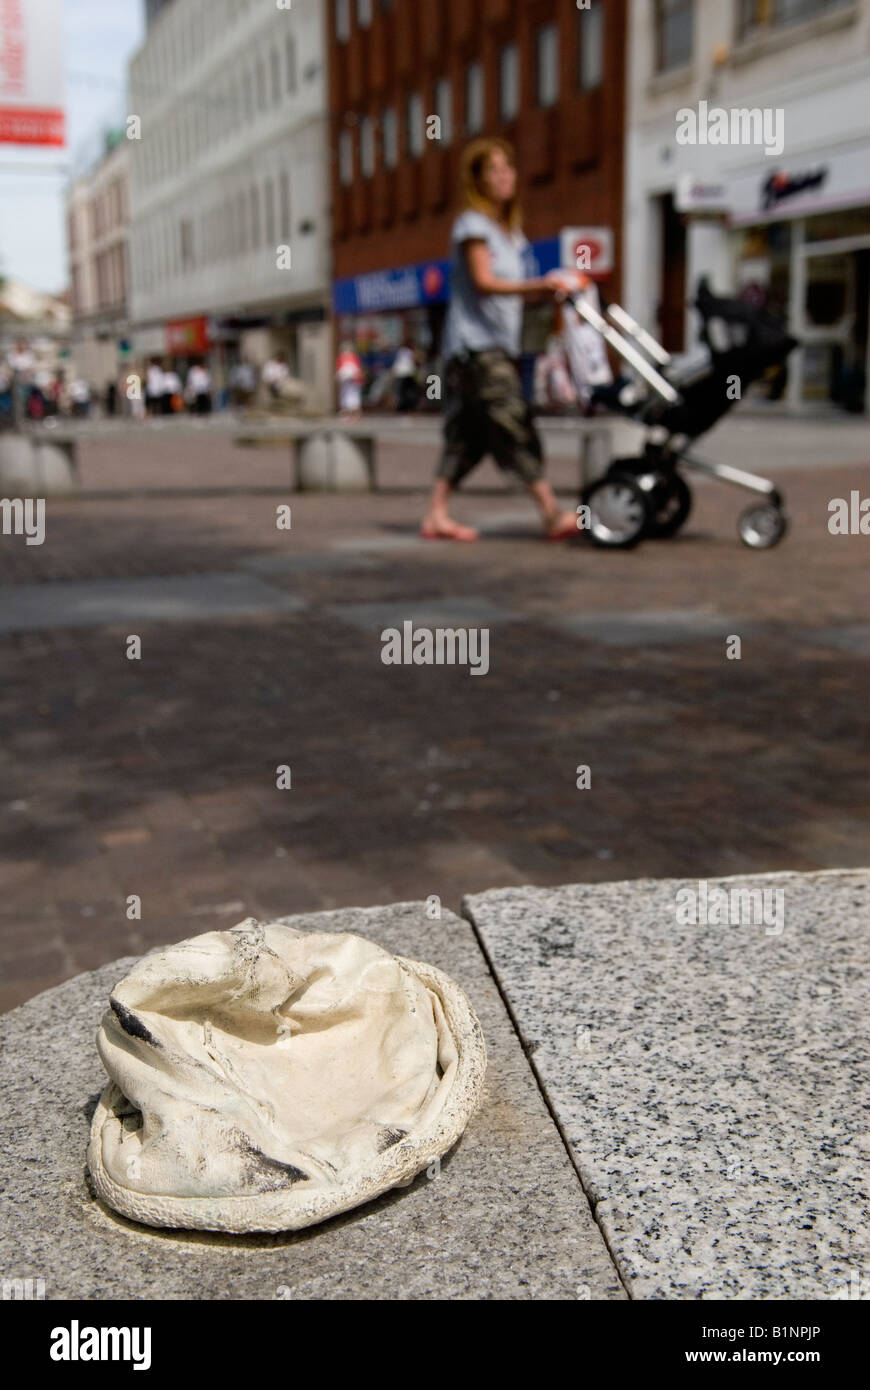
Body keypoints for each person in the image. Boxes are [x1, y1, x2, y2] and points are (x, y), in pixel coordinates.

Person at [421, 137, 582, 541]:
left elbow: (508, 293)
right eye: (494, 169)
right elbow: (485, 282)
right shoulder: (473, 225)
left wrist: (547, 297)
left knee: (468, 436)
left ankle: (436, 515)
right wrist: (539, 286)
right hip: (477, 348)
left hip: (493, 346)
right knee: (513, 421)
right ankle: (550, 512)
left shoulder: (510, 233)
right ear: (477, 179)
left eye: (508, 167)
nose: (505, 176)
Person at [335, 341, 364, 417]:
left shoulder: (354, 358)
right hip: (345, 381)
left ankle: (354, 411)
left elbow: (358, 369)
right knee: (345, 394)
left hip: (354, 380)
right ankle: (347, 411)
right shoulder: (342, 358)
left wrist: (357, 376)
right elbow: (340, 369)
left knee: (353, 394)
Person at [392, 342, 418, 412]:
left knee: (400, 391)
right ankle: (406, 406)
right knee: (407, 391)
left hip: (400, 373)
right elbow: (414, 360)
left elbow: (397, 362)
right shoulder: (410, 352)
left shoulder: (400, 351)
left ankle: (401, 406)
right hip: (408, 373)